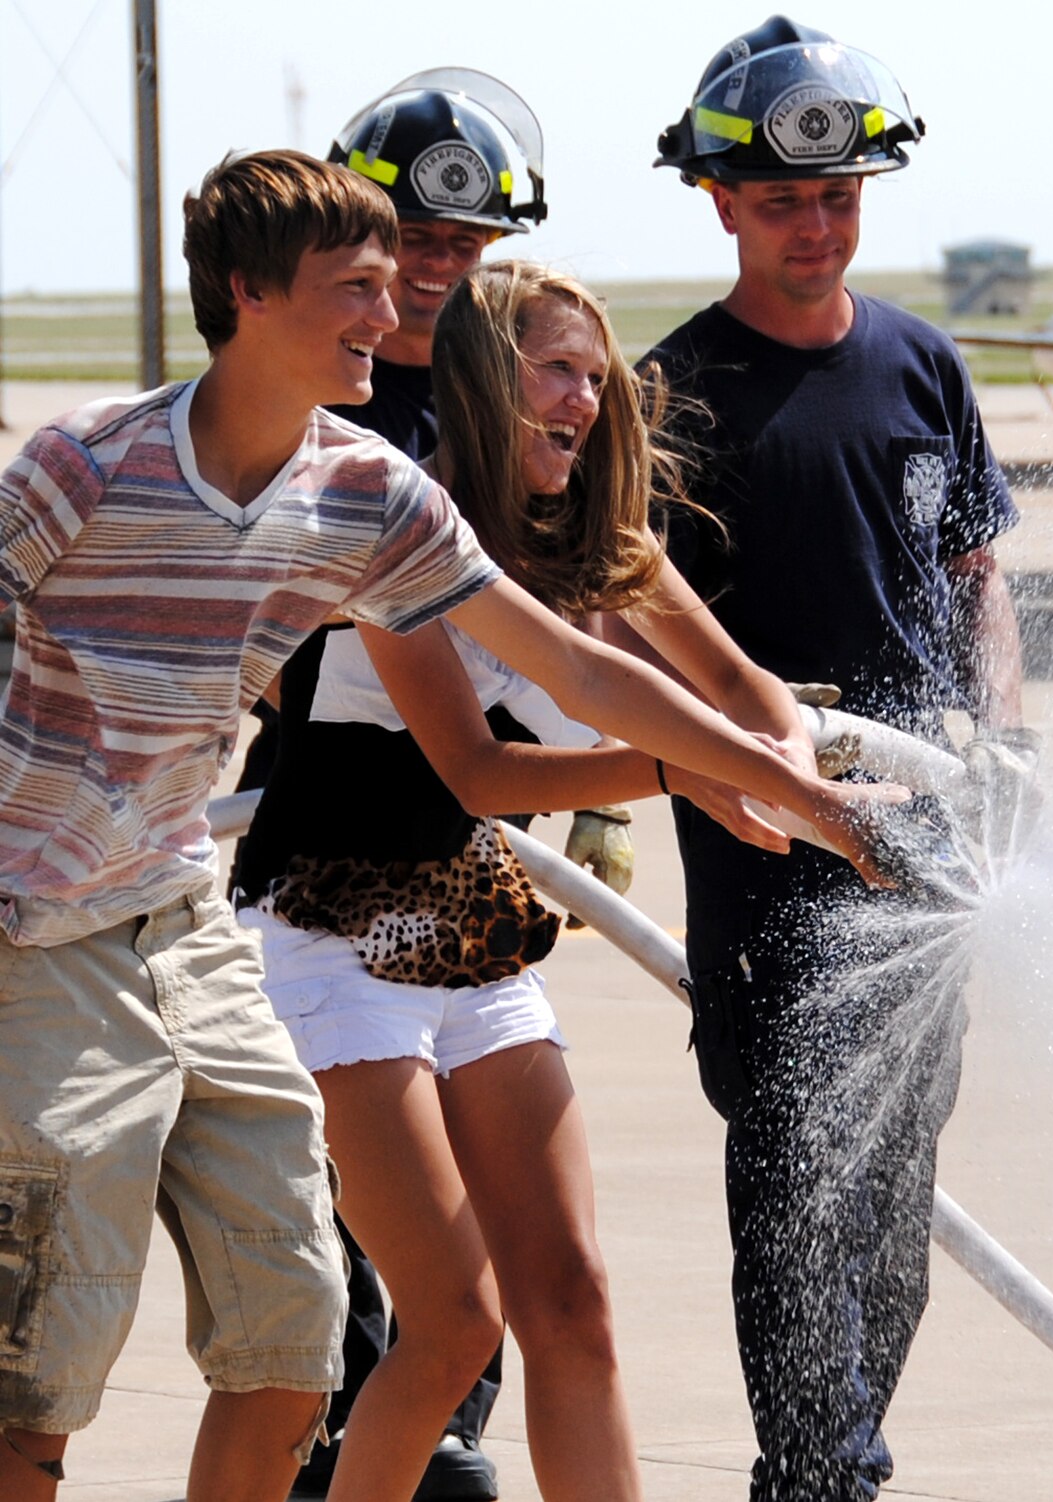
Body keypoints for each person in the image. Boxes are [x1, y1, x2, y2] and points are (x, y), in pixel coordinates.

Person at [0, 146, 898, 1502]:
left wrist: (819, 795)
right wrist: (687, 778)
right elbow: (482, 768)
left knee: (348, 1334)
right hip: (176, 923)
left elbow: (617, 674)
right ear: (249, 294)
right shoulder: (106, 466)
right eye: (356, 285)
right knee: (66, 1362)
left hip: (256, 917)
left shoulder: (371, 497)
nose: (389, 313)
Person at [233, 258, 834, 1502]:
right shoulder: (395, 525)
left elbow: (739, 690)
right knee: (454, 1324)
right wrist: (689, 777)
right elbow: (475, 773)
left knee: (571, 1296)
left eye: (595, 377)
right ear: (478, 379)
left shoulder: (603, 543)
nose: (585, 397)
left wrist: (800, 769)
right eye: (554, 369)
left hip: (470, 933)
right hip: (326, 936)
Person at [646, 18, 1032, 1500]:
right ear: (722, 202)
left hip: (931, 838)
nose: (817, 226)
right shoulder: (671, 393)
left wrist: (1010, 735)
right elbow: (631, 633)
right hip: (771, 841)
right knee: (797, 1186)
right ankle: (818, 1474)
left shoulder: (924, 365)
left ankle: (835, 1461)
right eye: (785, 202)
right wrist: (721, 779)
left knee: (893, 1182)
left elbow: (979, 570)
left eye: (841, 198)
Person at [270, 68, 548, 1501]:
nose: (435, 276)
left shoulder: (483, 397)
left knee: (464, 1191)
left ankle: (435, 1436)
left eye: (464, 249)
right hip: (308, 846)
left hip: (455, 837)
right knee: (346, 1189)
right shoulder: (328, 392)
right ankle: (356, 1443)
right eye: (412, 243)